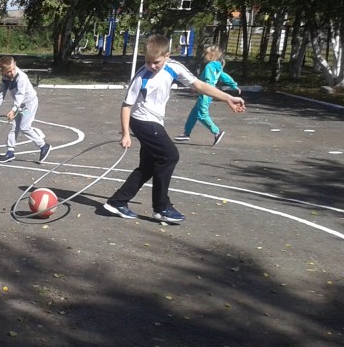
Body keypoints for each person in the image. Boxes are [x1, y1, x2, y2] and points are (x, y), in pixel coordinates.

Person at [103, 35, 246, 223]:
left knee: (149, 166)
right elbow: (126, 106)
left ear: (167, 56)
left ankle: (117, 201)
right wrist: (125, 134)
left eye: (156, 62)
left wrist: (227, 98)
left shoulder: (174, 67)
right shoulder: (141, 76)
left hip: (155, 121)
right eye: (148, 61)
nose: (152, 66)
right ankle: (161, 207)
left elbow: (199, 85)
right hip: (142, 121)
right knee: (169, 156)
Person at [0, 56, 52, 164]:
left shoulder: (22, 77)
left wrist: (13, 110)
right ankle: (10, 152)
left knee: (24, 127)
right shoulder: (5, 78)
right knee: (14, 127)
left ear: (15, 64)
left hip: (29, 104)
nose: (11, 73)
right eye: (8, 71)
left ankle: (43, 146)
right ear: (3, 71)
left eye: (13, 69)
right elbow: (1, 93)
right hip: (20, 105)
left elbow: (20, 95)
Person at [174, 45, 240, 146]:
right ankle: (186, 133)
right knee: (194, 113)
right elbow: (224, 76)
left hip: (206, 93)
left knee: (201, 114)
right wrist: (233, 85)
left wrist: (201, 89)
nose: (204, 55)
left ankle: (217, 132)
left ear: (211, 55)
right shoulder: (217, 66)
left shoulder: (209, 66)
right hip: (208, 93)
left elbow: (207, 81)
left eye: (206, 53)